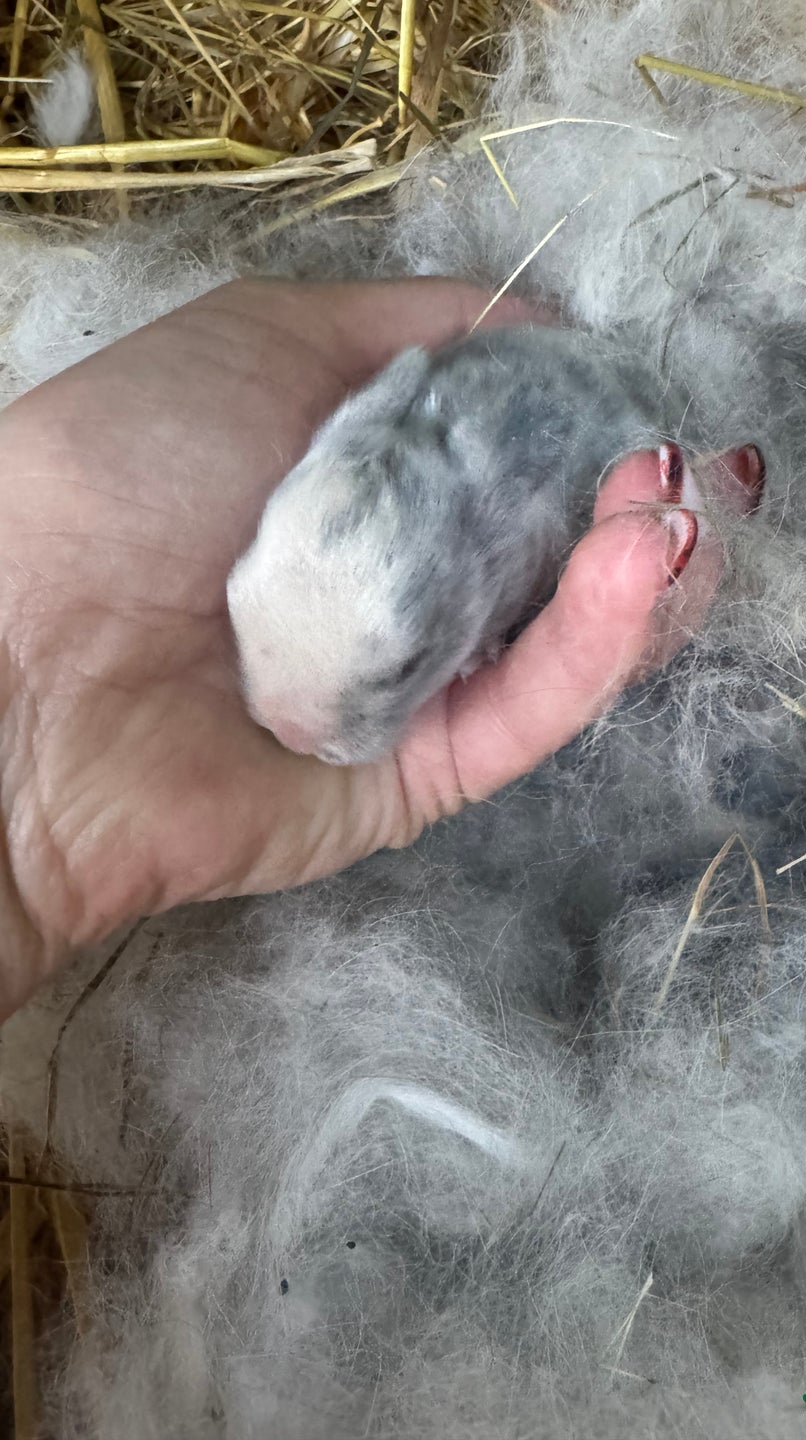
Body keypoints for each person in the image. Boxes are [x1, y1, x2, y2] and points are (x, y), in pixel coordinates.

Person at [0, 276, 725, 1022]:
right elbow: (402, 386)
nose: (287, 728)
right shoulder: (361, 445)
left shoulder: (495, 524)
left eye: (397, 667)